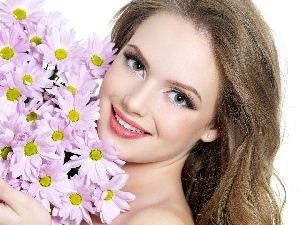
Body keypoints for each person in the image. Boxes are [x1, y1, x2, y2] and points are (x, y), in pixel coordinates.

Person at [0, 0, 285, 224]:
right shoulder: (61, 167)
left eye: (178, 97)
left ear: (216, 125)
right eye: (136, 64)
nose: (135, 103)